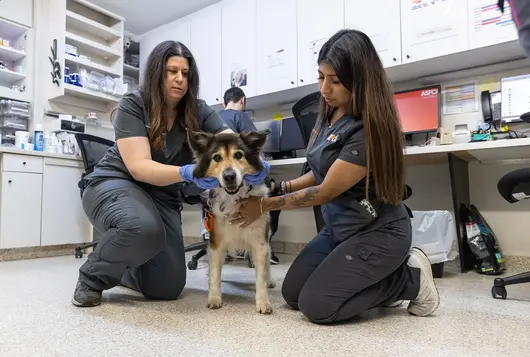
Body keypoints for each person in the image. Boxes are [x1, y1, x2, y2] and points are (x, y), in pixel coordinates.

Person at [230, 29, 440, 324]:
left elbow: (326, 190)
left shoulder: (368, 129)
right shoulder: (329, 112)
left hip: (377, 231)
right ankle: (372, 280)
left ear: (359, 82)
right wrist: (277, 188)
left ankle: (409, 279)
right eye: (321, 77)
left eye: (335, 80)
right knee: (293, 294)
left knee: (317, 306)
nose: (324, 89)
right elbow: (320, 172)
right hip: (341, 228)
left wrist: (264, 206)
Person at [72, 40, 269, 307]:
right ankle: (92, 277)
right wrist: (187, 172)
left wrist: (252, 160)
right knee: (142, 227)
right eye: (171, 71)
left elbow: (229, 139)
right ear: (156, 73)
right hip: (116, 184)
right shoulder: (134, 104)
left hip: (161, 196)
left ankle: (119, 267)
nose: (179, 79)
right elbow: (139, 167)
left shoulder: (197, 110)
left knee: (167, 286)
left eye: (185, 73)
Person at [217, 86, 280, 264]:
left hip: (215, 184)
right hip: (238, 180)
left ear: (224, 102)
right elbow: (255, 155)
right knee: (271, 191)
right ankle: (261, 249)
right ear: (242, 101)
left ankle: (229, 247)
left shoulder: (213, 118)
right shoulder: (241, 117)